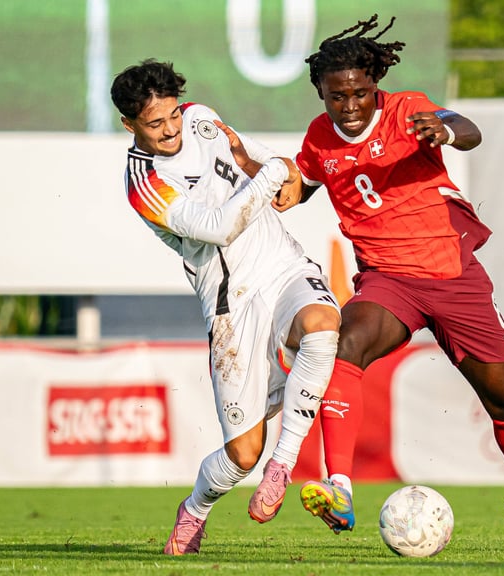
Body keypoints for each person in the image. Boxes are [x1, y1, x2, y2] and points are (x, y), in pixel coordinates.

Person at [284, 15, 504, 552]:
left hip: (452, 275)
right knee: (342, 344)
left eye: (359, 93)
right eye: (336, 96)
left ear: (375, 87)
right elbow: (298, 186)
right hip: (387, 281)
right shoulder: (319, 137)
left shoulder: (407, 109)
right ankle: (340, 488)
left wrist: (443, 131)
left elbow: (467, 129)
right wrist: (252, 176)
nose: (349, 106)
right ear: (321, 93)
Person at [110, 59, 341, 555]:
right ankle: (195, 509)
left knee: (323, 326)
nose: (171, 129)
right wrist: (270, 179)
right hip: (229, 301)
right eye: (155, 124)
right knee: (241, 455)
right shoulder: (143, 184)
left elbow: (256, 156)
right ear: (128, 125)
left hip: (283, 266)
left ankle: (284, 464)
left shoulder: (199, 117)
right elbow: (218, 227)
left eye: (172, 115)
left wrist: (279, 172)